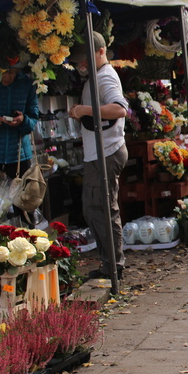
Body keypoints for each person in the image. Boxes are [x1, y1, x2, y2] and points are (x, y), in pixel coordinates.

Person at [68, 32, 129, 281]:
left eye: (85, 58)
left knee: (102, 209)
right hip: (101, 151)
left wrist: (84, 110)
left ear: (101, 52)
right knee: (96, 209)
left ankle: (113, 266)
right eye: (79, 60)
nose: (81, 63)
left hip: (106, 152)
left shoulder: (104, 78)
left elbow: (119, 108)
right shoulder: (97, 76)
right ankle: (110, 264)